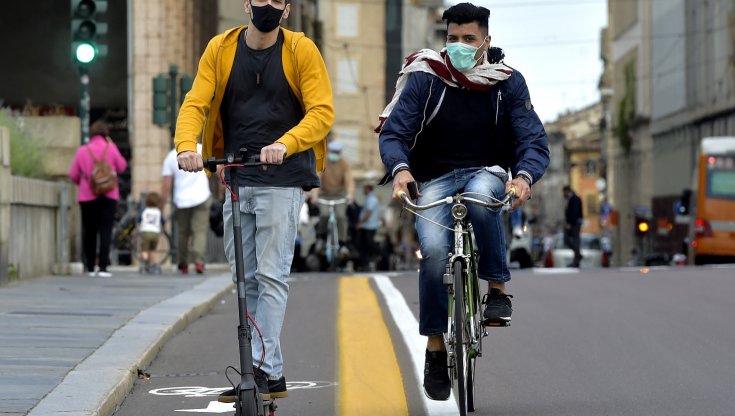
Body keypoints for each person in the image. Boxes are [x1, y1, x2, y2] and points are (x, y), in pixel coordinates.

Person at [377, 2, 549, 401]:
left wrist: (523, 178)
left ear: (486, 41)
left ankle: (497, 290)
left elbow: (532, 139)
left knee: (479, 198)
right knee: (434, 252)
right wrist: (400, 170)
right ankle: (436, 349)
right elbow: (394, 133)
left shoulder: (507, 82)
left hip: (486, 171)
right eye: (452, 38)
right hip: (434, 180)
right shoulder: (426, 77)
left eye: (468, 39)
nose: (459, 46)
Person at [174, 0, 334, 402]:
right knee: (244, 280)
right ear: (246, 4)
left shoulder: (300, 50)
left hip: (283, 177)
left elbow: (321, 112)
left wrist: (286, 143)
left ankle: (258, 370)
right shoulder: (220, 48)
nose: (268, 6)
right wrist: (186, 146)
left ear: (287, 9)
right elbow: (196, 102)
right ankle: (271, 373)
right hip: (235, 175)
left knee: (271, 275)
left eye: (277, 1)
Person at [69, 120, 128, 278]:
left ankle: (90, 267)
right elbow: (122, 166)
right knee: (106, 230)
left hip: (87, 196)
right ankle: (103, 267)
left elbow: (73, 175)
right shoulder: (111, 148)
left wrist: (84, 183)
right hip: (109, 194)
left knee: (89, 231)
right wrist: (111, 144)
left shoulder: (83, 150)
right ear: (106, 134)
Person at [161, 143, 213, 274]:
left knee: (183, 232)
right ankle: (199, 262)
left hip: (182, 199)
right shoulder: (202, 148)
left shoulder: (171, 157)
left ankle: (182, 263)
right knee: (199, 231)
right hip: (202, 196)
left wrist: (161, 206)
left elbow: (167, 186)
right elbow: (217, 168)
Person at [310, 140, 355, 249]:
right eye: (333, 151)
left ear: (340, 152)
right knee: (324, 215)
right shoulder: (323, 161)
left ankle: (342, 243)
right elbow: (317, 178)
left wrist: (350, 195)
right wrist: (314, 195)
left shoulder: (345, 163)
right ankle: (321, 237)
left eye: (337, 152)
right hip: (324, 196)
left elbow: (349, 181)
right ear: (329, 151)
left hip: (339, 196)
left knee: (341, 216)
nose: (334, 154)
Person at [356, 184, 381, 271]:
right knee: (364, 246)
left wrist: (360, 223)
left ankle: (380, 253)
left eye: (364, 189)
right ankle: (365, 263)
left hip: (369, 226)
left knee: (369, 243)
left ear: (368, 189)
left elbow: (368, 213)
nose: (363, 191)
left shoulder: (371, 199)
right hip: (366, 226)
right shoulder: (369, 198)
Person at [139, 192, 163, 274]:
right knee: (153, 250)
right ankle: (153, 266)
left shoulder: (145, 211)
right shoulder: (158, 212)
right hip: (155, 232)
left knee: (144, 249)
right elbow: (162, 221)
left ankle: (144, 263)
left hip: (146, 231)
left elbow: (139, 219)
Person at [563, 185, 583, 267]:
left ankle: (576, 261)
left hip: (575, 223)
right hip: (571, 223)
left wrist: (570, 223)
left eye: (564, 192)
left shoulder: (575, 199)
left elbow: (574, 212)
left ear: (567, 191)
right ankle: (578, 255)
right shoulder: (569, 199)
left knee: (575, 241)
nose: (563, 194)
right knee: (567, 240)